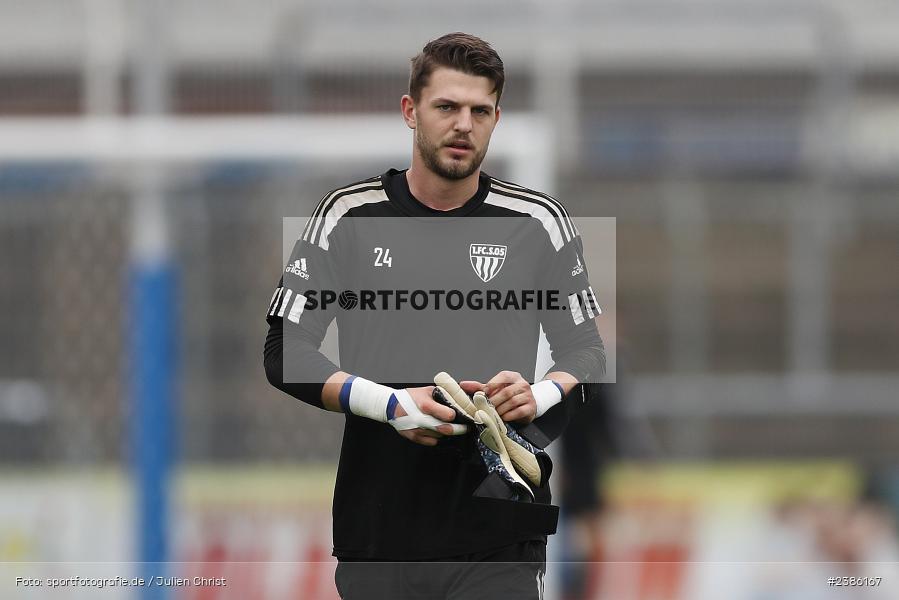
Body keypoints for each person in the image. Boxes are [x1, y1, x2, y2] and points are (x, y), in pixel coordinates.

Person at [263, 32, 605, 600]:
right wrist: (392, 404)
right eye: (446, 107)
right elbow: (284, 352)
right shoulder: (347, 217)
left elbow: (587, 351)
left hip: (498, 534)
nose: (463, 124)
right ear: (411, 111)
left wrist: (539, 396)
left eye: (480, 110)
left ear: (497, 117)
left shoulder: (538, 221)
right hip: (379, 532)